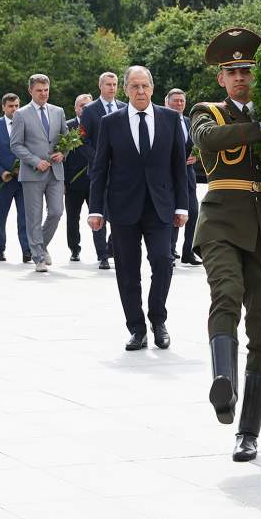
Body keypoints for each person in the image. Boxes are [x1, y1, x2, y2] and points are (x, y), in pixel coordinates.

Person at [191, 28, 261, 463]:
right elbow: (208, 140)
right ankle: (223, 381)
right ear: (221, 79)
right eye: (232, 71)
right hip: (223, 223)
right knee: (225, 293)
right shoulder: (207, 111)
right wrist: (259, 127)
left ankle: (248, 430)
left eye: (247, 69)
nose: (241, 77)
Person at [87, 65, 188, 351]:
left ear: (152, 89)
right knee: (127, 271)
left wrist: (183, 206)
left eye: (144, 86)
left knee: (162, 261)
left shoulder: (170, 119)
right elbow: (99, 169)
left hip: (161, 207)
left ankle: (158, 320)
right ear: (126, 90)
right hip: (123, 208)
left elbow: (179, 168)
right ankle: (137, 328)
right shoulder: (111, 122)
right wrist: (96, 210)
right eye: (134, 87)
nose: (140, 91)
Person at [10, 74, 67, 272]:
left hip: (55, 172)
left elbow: (65, 141)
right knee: (33, 216)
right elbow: (15, 145)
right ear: (30, 91)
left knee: (57, 212)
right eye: (39, 91)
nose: (43, 94)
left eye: (46, 90)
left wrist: (63, 152)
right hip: (32, 173)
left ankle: (41, 245)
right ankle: (38, 257)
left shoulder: (58, 111)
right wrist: (35, 161)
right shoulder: (21, 114)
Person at [79, 72, 125, 270]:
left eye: (115, 84)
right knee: (99, 212)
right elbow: (82, 140)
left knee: (122, 212)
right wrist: (98, 159)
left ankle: (112, 247)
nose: (112, 88)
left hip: (122, 172)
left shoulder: (124, 107)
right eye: (108, 84)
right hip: (99, 171)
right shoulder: (90, 110)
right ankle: (102, 254)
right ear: (101, 86)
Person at [0, 93, 31, 263]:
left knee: (25, 217)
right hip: (3, 180)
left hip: (23, 179)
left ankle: (27, 250)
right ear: (3, 107)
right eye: (11, 106)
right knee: (0, 217)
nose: (14, 109)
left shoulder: (27, 124)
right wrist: (0, 171)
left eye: (17, 106)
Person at [166, 88, 201, 266]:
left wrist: (197, 155)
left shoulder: (188, 121)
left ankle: (189, 253)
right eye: (175, 100)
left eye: (181, 101)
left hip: (188, 176)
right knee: (174, 215)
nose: (179, 104)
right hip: (170, 176)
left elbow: (196, 145)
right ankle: (170, 252)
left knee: (193, 213)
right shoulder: (162, 120)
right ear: (167, 102)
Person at [64, 94, 94, 262]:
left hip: (93, 180)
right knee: (73, 218)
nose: (84, 109)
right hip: (73, 180)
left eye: (87, 106)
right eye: (81, 106)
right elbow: (62, 154)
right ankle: (74, 249)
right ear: (76, 108)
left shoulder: (97, 124)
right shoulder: (68, 127)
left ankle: (102, 250)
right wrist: (62, 181)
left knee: (98, 215)